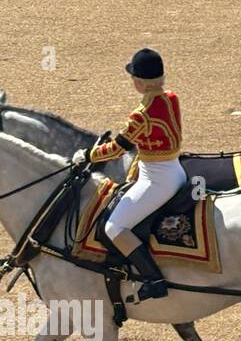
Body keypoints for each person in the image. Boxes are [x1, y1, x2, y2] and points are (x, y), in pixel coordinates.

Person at [71, 50, 184, 298]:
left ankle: (153, 280)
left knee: (114, 227)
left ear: (140, 83)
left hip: (157, 180)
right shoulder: (170, 98)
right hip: (174, 170)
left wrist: (87, 155)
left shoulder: (141, 115)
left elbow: (116, 150)